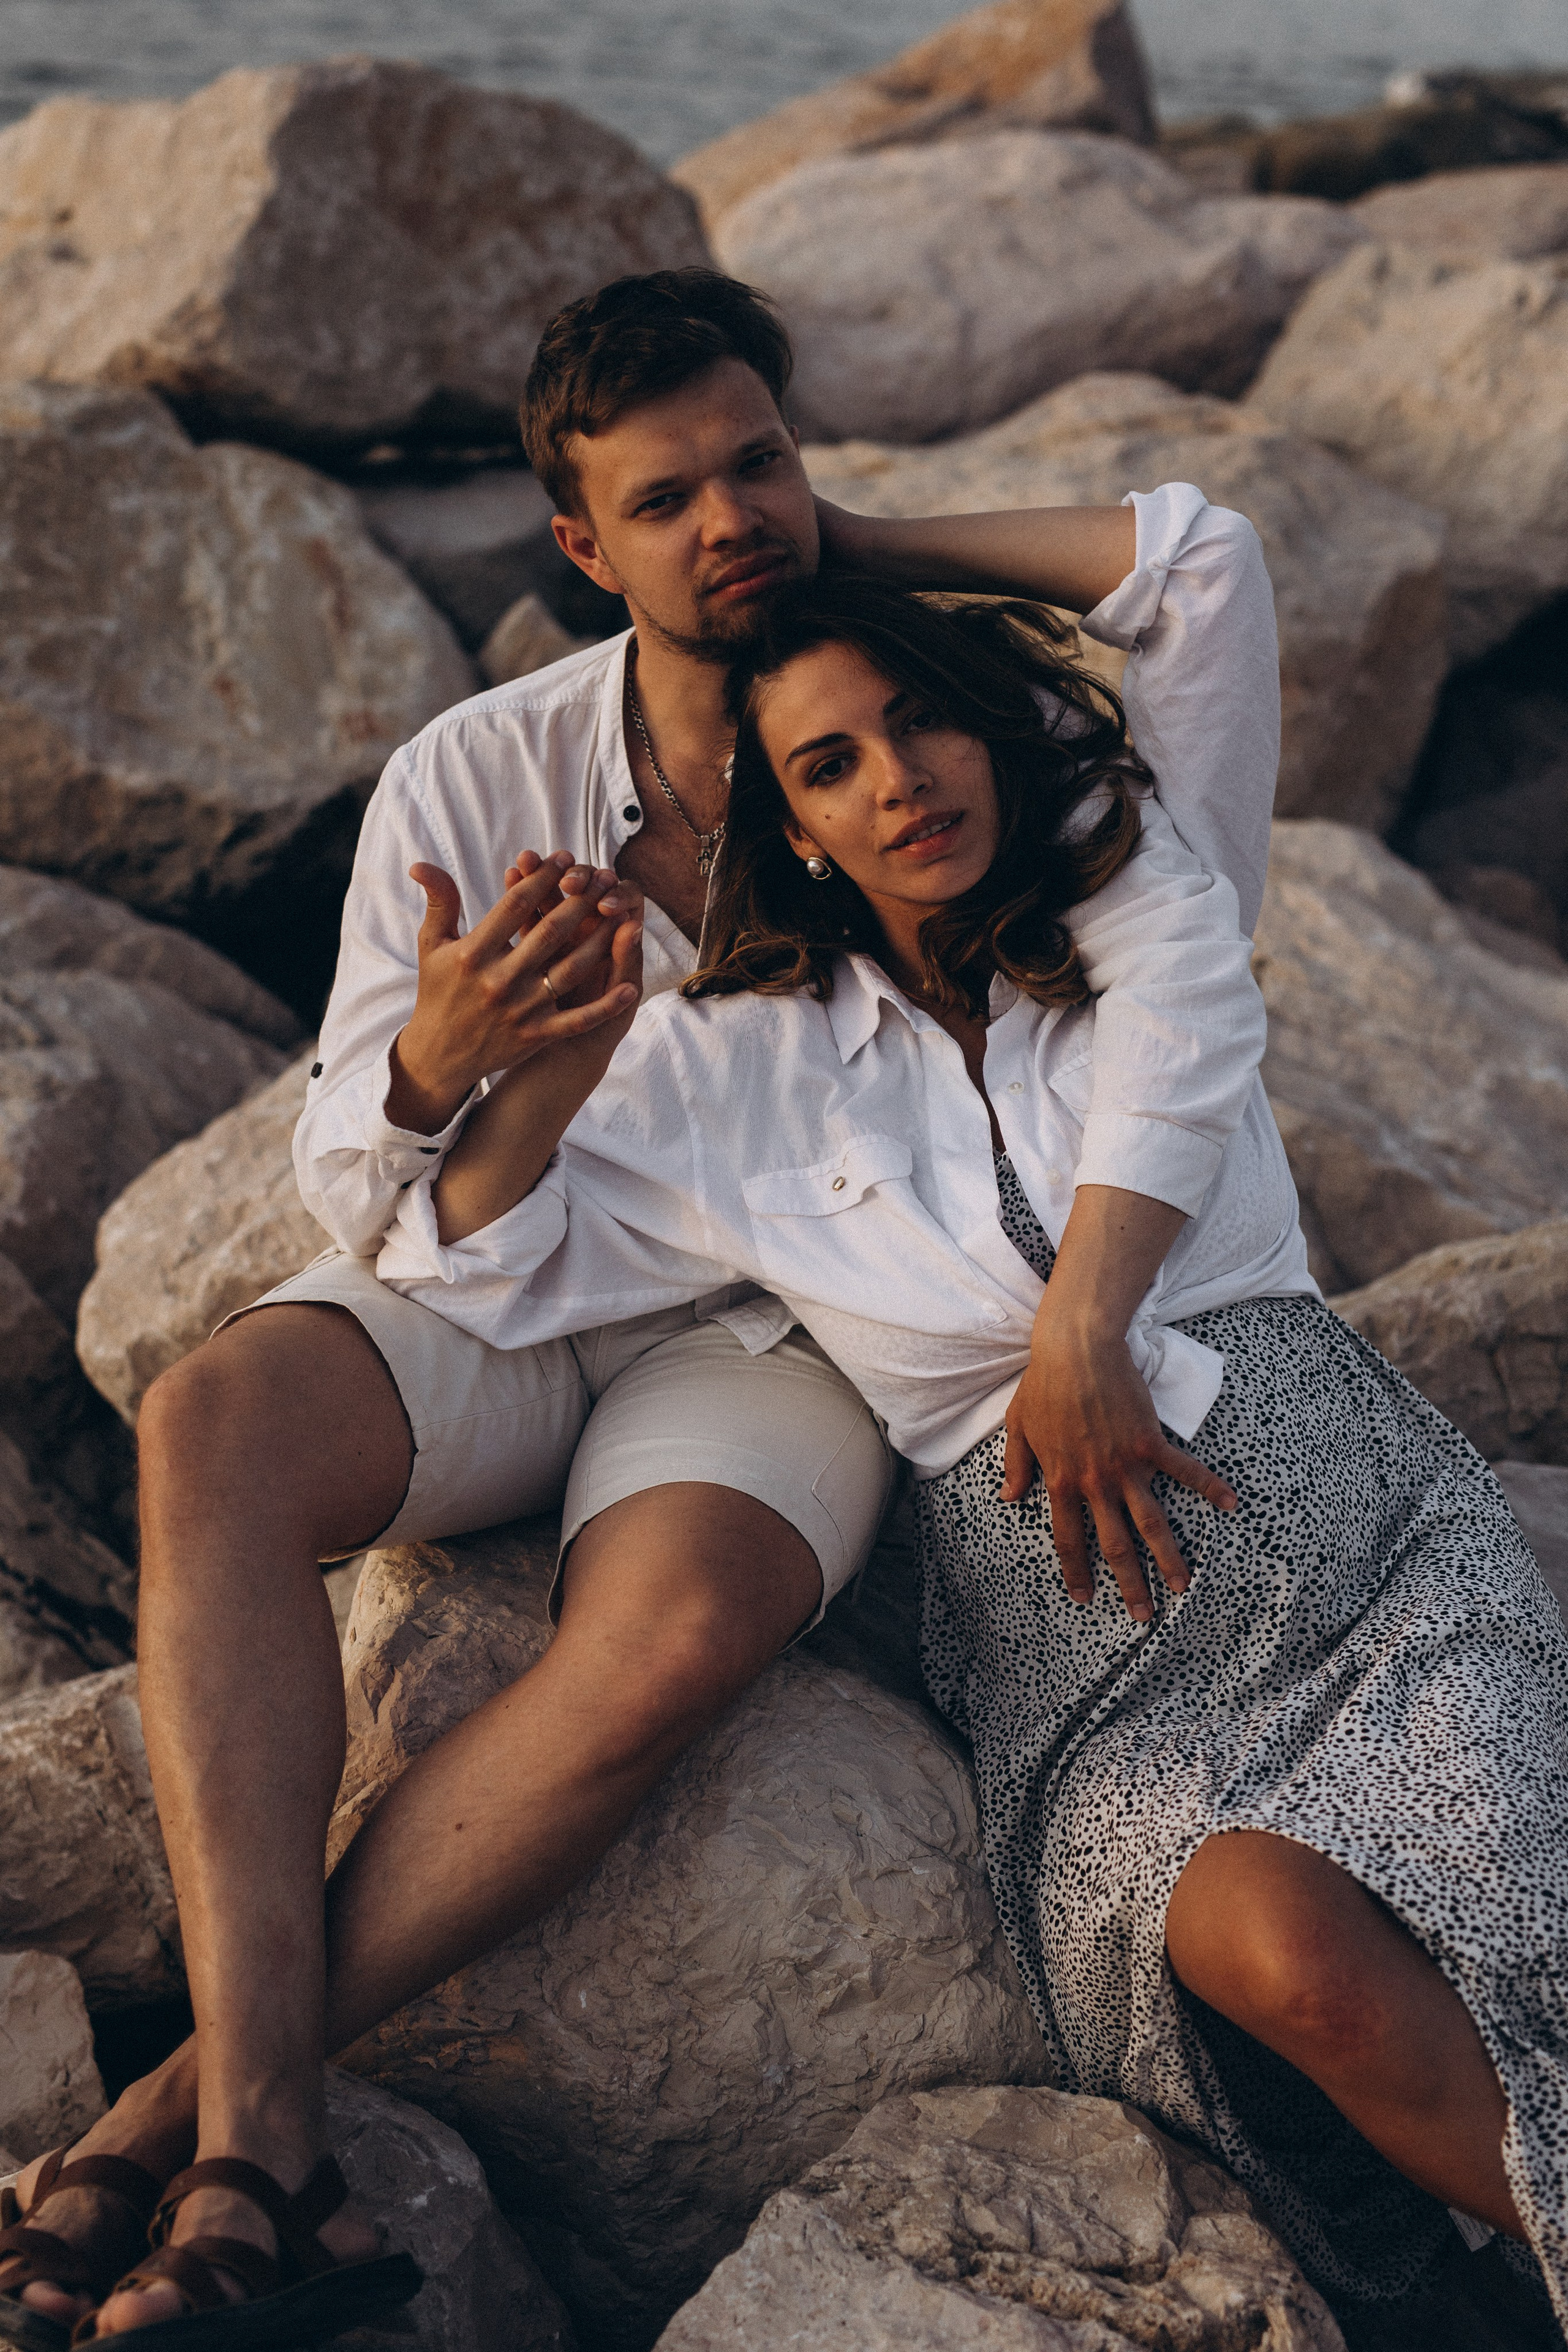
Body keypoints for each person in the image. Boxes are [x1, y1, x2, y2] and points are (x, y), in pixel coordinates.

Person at [0, 277, 1278, 2343]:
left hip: (792, 1329)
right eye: (663, 500)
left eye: (758, 467)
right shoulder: (472, 774)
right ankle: (266, 2142)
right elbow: (377, 1203)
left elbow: (1200, 572)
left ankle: (187, 2129)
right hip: (505, 1271)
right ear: (579, 545)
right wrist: (450, 1063)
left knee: (677, 1629)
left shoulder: (916, 748)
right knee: (210, 1424)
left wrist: (857, 546)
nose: (727, 522)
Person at [374, 547, 1568, 2337]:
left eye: (922, 717)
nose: (899, 779)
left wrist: (844, 543)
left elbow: (1203, 563)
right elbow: (458, 1255)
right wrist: (491, 1058)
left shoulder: (1141, 886)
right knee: (1283, 1958)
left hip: (1375, 1570)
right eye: (829, 763)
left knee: (1525, 1919)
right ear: (788, 827)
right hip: (1110, 1681)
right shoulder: (727, 1068)